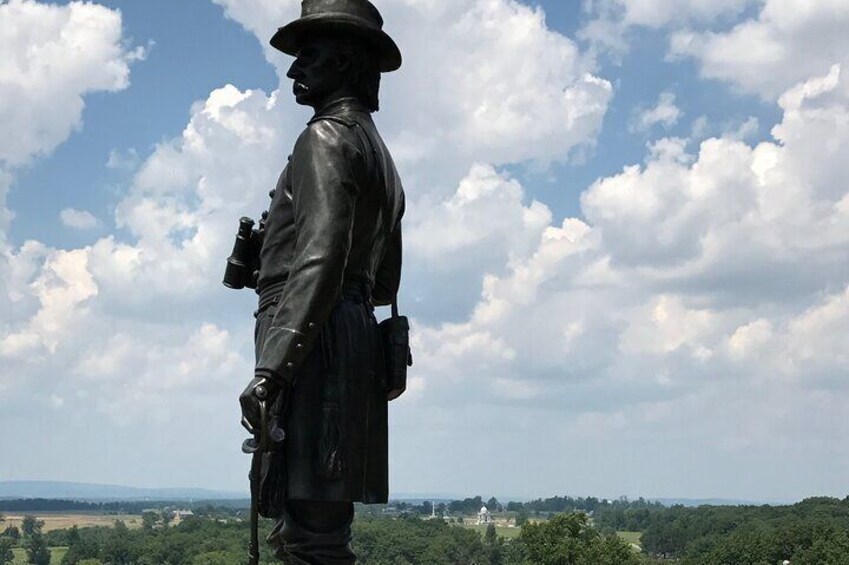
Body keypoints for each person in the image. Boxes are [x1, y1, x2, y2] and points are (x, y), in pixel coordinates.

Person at [238, 1, 405, 563]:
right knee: (323, 528)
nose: (294, 71)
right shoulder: (380, 156)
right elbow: (382, 281)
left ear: (346, 61)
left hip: (315, 347)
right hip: (349, 340)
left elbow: (323, 256)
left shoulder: (325, 139)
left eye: (308, 57)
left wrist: (272, 368)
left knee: (305, 532)